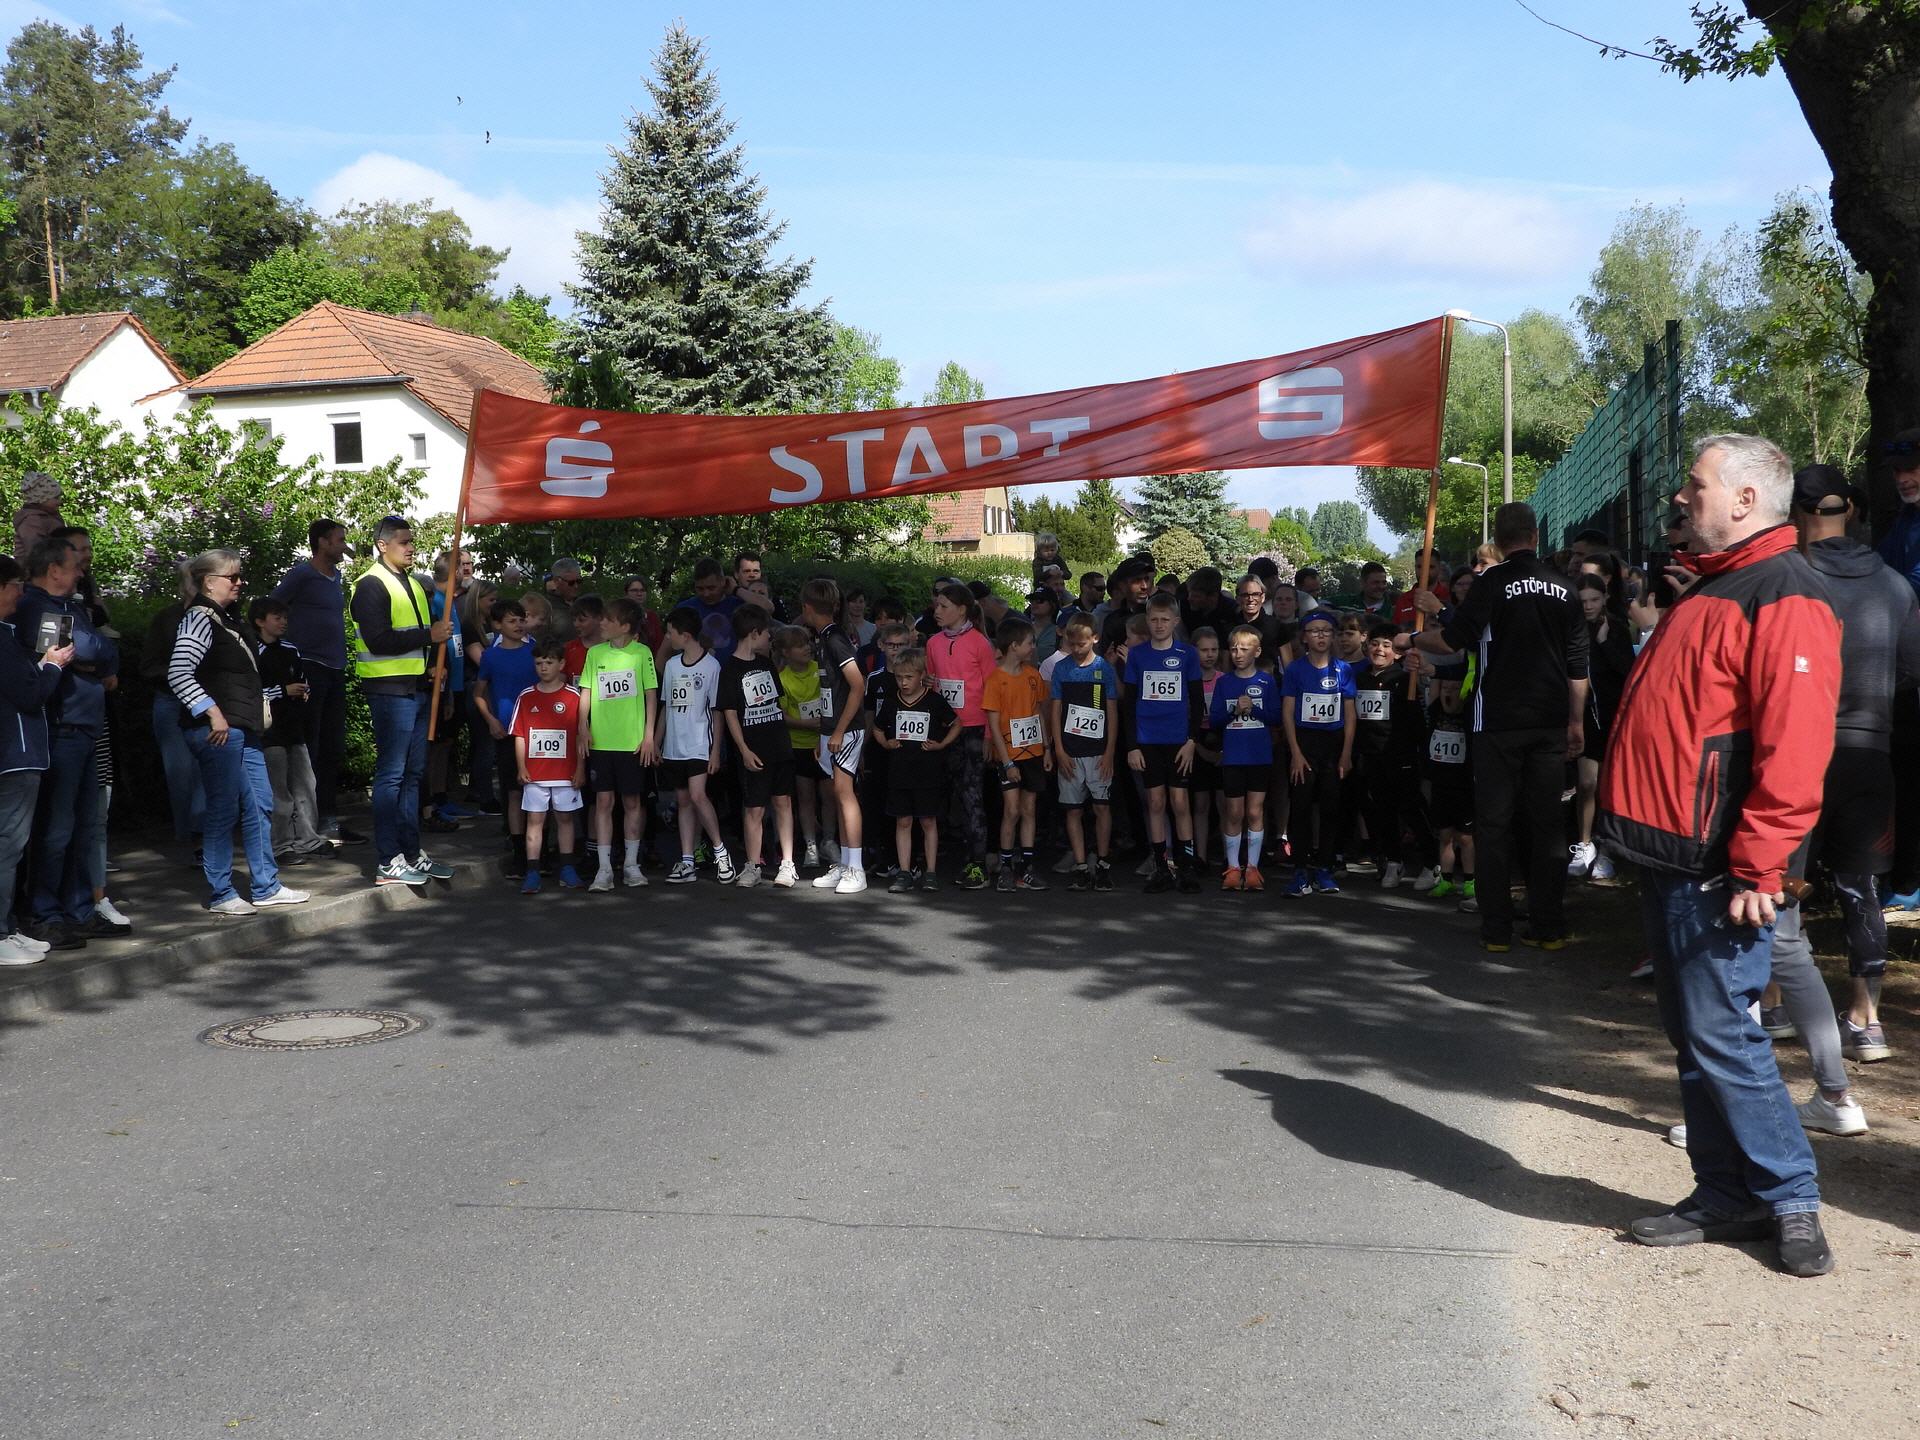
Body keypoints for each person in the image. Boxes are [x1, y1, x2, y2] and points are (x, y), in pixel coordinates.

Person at [1598, 434, 1840, 1279]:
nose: (1680, 496)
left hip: (1717, 864)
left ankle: (1792, 1197)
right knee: (1696, 1033)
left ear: (1744, 498)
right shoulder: (1716, 585)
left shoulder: (1783, 592)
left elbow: (1795, 746)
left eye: (1694, 484)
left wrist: (1759, 865)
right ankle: (1725, 1193)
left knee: (1724, 1032)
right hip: (1675, 852)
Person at [1768, 464, 1920, 1078]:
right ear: (1851, 510)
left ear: (1794, 513)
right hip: (1868, 751)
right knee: (1862, 888)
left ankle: (1772, 1001)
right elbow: (1911, 670)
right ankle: (1865, 1018)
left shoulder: (1785, 578)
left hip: (1797, 751)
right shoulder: (1893, 584)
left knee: (1782, 878)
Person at [1403, 502, 1589, 951]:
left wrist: (1411, 638)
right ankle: (1548, 925)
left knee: (1493, 826)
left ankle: (1497, 930)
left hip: (1495, 722)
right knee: (1548, 825)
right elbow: (1577, 664)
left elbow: (1454, 640)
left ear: (1500, 542)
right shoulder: (1565, 589)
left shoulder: (1491, 583)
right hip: (1549, 721)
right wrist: (1576, 721)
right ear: (1536, 536)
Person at [167, 550, 310, 917]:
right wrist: (212, 712)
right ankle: (221, 892)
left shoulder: (225, 619)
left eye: (238, 576)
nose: (239, 582)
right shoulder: (199, 619)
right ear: (208, 582)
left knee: (260, 803)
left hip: (242, 730)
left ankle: (266, 886)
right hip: (219, 731)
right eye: (232, 577)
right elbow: (179, 672)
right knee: (223, 808)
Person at [16, 535, 118, 947]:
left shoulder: (71, 607)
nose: (81, 572)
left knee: (81, 827)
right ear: (54, 569)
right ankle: (45, 913)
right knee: (56, 829)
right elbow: (81, 649)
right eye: (74, 566)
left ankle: (78, 910)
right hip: (62, 730)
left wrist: (92, 653)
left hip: (85, 728)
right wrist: (91, 653)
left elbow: (104, 651)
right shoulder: (33, 605)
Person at [350, 515, 455, 889]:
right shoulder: (370, 585)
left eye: (412, 541)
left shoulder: (411, 583)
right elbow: (378, 640)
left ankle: (410, 852)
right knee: (392, 775)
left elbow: (421, 638)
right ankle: (387, 859)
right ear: (383, 545)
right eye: (404, 542)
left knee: (412, 775)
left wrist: (432, 666)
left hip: (416, 688)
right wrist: (429, 636)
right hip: (389, 690)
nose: (411, 548)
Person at [0, 553, 72, 963]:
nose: (20, 594)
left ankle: (9, 927)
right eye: (15, 586)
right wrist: (52, 666)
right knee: (7, 847)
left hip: (15, 754)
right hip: (15, 754)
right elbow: (29, 695)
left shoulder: (7, 635)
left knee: (12, 846)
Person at [272, 519, 358, 843]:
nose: (344, 546)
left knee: (332, 746)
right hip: (310, 666)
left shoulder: (337, 577)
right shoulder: (301, 575)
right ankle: (304, 824)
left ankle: (328, 820)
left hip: (335, 668)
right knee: (310, 745)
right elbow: (272, 607)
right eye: (340, 540)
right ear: (322, 542)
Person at [577, 596, 662, 893]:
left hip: (632, 742)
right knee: (603, 802)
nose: (601, 623)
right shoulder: (594, 654)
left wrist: (649, 735)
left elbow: (651, 695)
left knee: (632, 802)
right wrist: (583, 727)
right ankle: (603, 869)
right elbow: (586, 692)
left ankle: (631, 864)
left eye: (608, 620)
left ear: (625, 626)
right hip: (601, 742)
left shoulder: (642, 653)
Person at [1124, 591, 1204, 893]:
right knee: (1155, 802)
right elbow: (1129, 704)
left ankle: (1187, 867)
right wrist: (1132, 745)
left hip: (1178, 740)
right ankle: (1161, 867)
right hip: (1148, 739)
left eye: (1164, 620)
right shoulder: (1138, 655)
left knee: (1180, 802)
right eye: (1154, 619)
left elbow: (1197, 701)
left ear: (1175, 621)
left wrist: (1192, 740)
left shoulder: (1188, 655)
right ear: (1147, 620)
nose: (1159, 625)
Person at [718, 602, 798, 888]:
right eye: (766, 633)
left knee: (783, 801)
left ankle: (787, 863)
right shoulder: (730, 669)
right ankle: (752, 865)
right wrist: (743, 749)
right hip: (753, 748)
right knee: (754, 808)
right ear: (754, 633)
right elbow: (729, 712)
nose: (769, 638)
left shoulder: (766, 663)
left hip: (778, 743)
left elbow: (777, 702)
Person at [926, 581, 997, 890]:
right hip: (944, 728)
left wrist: (990, 736)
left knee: (972, 796)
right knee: (945, 795)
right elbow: (932, 685)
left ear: (962, 610)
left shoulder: (980, 643)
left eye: (944, 606)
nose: (937, 611)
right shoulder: (933, 643)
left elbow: (992, 691)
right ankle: (944, 858)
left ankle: (979, 863)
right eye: (936, 605)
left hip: (973, 729)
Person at [872, 645, 960, 893]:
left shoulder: (934, 701)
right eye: (899, 677)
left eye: (909, 677)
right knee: (903, 821)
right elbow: (877, 727)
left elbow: (956, 723)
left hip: (927, 771)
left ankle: (930, 871)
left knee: (928, 821)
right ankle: (904, 871)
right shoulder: (892, 702)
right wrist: (886, 743)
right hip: (899, 771)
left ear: (922, 675)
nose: (903, 682)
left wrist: (941, 744)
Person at [799, 577, 867, 894]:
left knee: (844, 794)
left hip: (846, 730)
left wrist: (838, 730)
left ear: (807, 608)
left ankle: (856, 868)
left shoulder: (836, 639)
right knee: (837, 796)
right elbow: (830, 690)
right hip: (830, 730)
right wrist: (823, 734)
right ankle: (844, 863)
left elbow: (857, 685)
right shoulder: (824, 638)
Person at [1281, 611, 1356, 896]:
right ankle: (1300, 870)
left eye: (1326, 630)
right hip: (1304, 744)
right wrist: (1295, 752)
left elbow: (1350, 714)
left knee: (1330, 807)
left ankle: (1324, 868)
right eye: (1314, 631)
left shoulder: (1343, 670)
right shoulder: (1295, 670)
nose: (1321, 635)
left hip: (1333, 745)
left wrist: (1346, 753)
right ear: (1304, 637)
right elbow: (1288, 712)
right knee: (1300, 808)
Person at [249, 597, 329, 862]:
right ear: (260, 621)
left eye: (285, 617)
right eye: (277, 618)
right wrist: (282, 691)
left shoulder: (290, 649)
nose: (283, 622)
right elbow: (253, 691)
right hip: (270, 730)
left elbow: (301, 678)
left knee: (305, 784)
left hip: (294, 726)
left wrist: (303, 691)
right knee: (278, 789)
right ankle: (281, 845)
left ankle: (308, 839)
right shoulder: (253, 652)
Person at [658, 606, 734, 885]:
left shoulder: (711, 666)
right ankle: (687, 860)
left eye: (670, 633)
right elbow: (666, 706)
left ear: (686, 635)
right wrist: (656, 742)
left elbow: (717, 711)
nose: (668, 638)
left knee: (698, 795)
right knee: (683, 800)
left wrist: (715, 751)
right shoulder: (672, 666)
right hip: (674, 745)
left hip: (700, 742)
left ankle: (720, 852)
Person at [1567, 575, 1633, 883]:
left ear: (1605, 598)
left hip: (1612, 718)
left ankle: (1606, 847)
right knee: (1586, 783)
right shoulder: (1571, 629)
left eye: (1594, 599)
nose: (1589, 606)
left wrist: (1606, 643)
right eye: (1583, 601)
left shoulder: (1616, 629)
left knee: (1607, 786)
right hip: (1584, 718)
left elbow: (1628, 671)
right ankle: (1584, 843)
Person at [982, 616, 1053, 892]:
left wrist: (1046, 748)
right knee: (1011, 810)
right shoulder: (995, 680)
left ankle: (1027, 867)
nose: (1033, 647)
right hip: (1009, 755)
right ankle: (1006, 867)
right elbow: (994, 726)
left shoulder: (1033, 675)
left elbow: (1038, 712)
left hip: (1033, 752)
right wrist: (1007, 761)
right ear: (1013, 646)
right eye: (1029, 643)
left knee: (1028, 809)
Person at [1049, 615, 1119, 892]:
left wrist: (1110, 752)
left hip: (1098, 751)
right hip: (1070, 751)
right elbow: (1055, 711)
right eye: (1072, 643)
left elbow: (1111, 712)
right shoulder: (1061, 668)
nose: (1077, 649)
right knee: (1073, 810)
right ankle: (1080, 866)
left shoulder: (1104, 668)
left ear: (1095, 639)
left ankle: (1102, 864)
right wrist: (1059, 749)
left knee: (1102, 807)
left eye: (1082, 644)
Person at [510, 638, 585, 894]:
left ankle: (567, 868)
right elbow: (519, 735)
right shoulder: (526, 696)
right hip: (536, 773)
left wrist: (580, 768)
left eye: (549, 662)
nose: (543, 667)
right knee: (535, 819)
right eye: (539, 663)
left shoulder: (574, 696)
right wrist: (521, 767)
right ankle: (532, 871)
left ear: (561, 664)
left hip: (565, 772)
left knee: (565, 818)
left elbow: (581, 736)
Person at [1354, 622, 1424, 889]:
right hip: (1371, 755)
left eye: (1387, 645)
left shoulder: (1404, 680)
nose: (1380, 650)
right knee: (1382, 810)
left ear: (1397, 652)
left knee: (1410, 807)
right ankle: (1393, 860)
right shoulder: (1360, 679)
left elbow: (1415, 722)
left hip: (1399, 755)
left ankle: (1432, 863)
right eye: (1375, 644)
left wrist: (1411, 751)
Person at [472, 598, 538, 879]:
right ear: (497, 625)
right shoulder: (491, 656)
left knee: (541, 790)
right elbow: (479, 693)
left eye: (521, 619)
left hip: (539, 731)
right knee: (513, 791)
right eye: (512, 621)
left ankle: (540, 851)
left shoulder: (535, 651)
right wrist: (491, 720)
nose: (519, 625)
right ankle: (519, 852)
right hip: (508, 732)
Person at [142, 563, 205, 854]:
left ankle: (203, 838)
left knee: (206, 771)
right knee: (181, 773)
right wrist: (179, 673)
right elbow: (148, 666)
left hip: (207, 701)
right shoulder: (167, 619)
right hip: (172, 700)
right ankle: (189, 838)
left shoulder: (220, 618)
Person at [1210, 624, 1278, 891]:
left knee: (1254, 811)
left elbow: (1275, 717)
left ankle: (1252, 867)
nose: (1238, 654)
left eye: (1245, 649)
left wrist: (1254, 710)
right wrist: (1235, 712)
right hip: (1234, 756)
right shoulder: (1224, 682)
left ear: (1257, 652)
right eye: (1234, 649)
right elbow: (1215, 720)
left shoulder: (1266, 681)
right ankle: (1233, 867)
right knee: (1234, 812)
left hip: (1259, 755)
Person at [776, 625, 832, 868]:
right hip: (799, 745)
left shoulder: (821, 670)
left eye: (808, 643)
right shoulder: (782, 679)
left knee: (829, 796)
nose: (807, 648)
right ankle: (811, 846)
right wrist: (806, 724)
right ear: (786, 652)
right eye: (800, 646)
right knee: (806, 797)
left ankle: (829, 841)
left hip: (826, 742)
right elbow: (781, 715)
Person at [1422, 664, 1475, 908]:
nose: (1449, 692)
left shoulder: (1469, 715)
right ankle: (1445, 879)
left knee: (1465, 837)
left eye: (1455, 688)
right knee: (1444, 835)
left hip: (1463, 785)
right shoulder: (1435, 711)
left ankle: (1470, 881)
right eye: (1446, 688)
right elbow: (1435, 683)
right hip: (1440, 784)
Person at [1329, 561, 1393, 616]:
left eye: (1384, 582)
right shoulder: (1347, 602)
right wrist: (1334, 615)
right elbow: (1323, 603)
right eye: (1376, 582)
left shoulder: (1393, 607)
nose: (1381, 586)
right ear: (1362, 583)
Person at [621, 576, 666, 651]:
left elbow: (659, 644)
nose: (639, 594)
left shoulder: (652, 616)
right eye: (634, 590)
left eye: (642, 590)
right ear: (626, 593)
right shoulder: (618, 615)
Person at [543, 558, 584, 638]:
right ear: (556, 581)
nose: (576, 586)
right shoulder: (545, 607)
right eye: (571, 583)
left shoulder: (585, 603)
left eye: (579, 581)